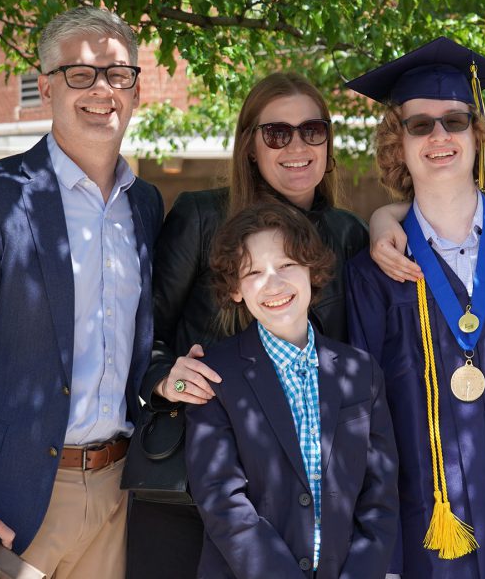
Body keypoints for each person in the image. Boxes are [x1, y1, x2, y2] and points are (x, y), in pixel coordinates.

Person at [0, 7, 164, 578]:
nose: (102, 89)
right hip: (14, 505)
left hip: (117, 494)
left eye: (118, 74)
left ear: (135, 90)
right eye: (81, 74)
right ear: (46, 84)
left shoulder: (144, 204)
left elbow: (135, 344)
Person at [344, 37, 485, 579]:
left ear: (479, 133)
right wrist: (384, 555)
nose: (439, 136)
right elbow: (365, 424)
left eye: (455, 119)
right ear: (395, 143)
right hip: (429, 528)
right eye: (419, 125)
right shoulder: (373, 274)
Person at [127, 72, 369, 578]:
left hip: (300, 504)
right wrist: (163, 376)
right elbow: (141, 335)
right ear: (250, 147)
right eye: (277, 133)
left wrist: (389, 217)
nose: (297, 145)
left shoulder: (347, 235)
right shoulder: (201, 217)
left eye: (312, 130)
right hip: (192, 495)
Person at [185, 202, 399, 578]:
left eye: (286, 265)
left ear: (311, 271)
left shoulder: (361, 372)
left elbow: (379, 498)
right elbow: (222, 501)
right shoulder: (216, 375)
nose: (274, 283)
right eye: (253, 272)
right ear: (235, 289)